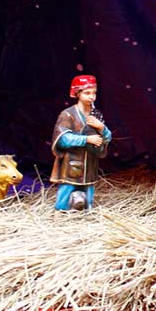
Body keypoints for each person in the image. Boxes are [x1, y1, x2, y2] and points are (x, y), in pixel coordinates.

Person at [50, 75, 112, 211]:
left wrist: (102, 128)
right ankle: (61, 212)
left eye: (94, 93)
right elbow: (62, 139)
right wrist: (86, 140)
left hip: (90, 163)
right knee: (67, 190)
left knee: (89, 190)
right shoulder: (68, 115)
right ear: (78, 94)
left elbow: (107, 138)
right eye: (87, 93)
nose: (92, 97)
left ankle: (87, 211)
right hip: (71, 163)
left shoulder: (96, 115)